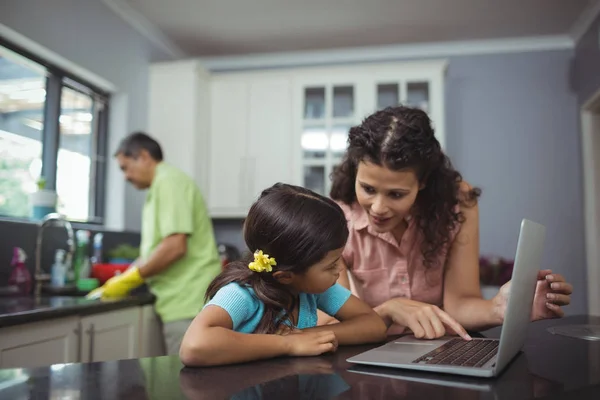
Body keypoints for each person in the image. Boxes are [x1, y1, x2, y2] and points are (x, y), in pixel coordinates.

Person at [319, 105, 573, 339]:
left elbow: (460, 303)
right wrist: (389, 310)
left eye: (396, 194)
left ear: (423, 182)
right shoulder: (338, 219)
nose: (378, 208)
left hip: (439, 349)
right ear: (355, 171)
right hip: (370, 350)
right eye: (368, 188)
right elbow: (336, 323)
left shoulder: (457, 204)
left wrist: (500, 309)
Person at [179, 183, 387, 367]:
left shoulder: (312, 289)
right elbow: (194, 346)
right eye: (330, 265)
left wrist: (306, 336)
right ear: (285, 276)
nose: (339, 270)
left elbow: (374, 325)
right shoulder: (242, 294)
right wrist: (288, 343)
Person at [87, 132, 221, 354]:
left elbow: (175, 246)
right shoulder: (160, 187)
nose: (125, 176)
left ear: (143, 156)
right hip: (178, 299)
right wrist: (124, 278)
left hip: (188, 300)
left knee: (184, 383)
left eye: (125, 167)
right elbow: (153, 250)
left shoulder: (169, 182)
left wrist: (133, 277)